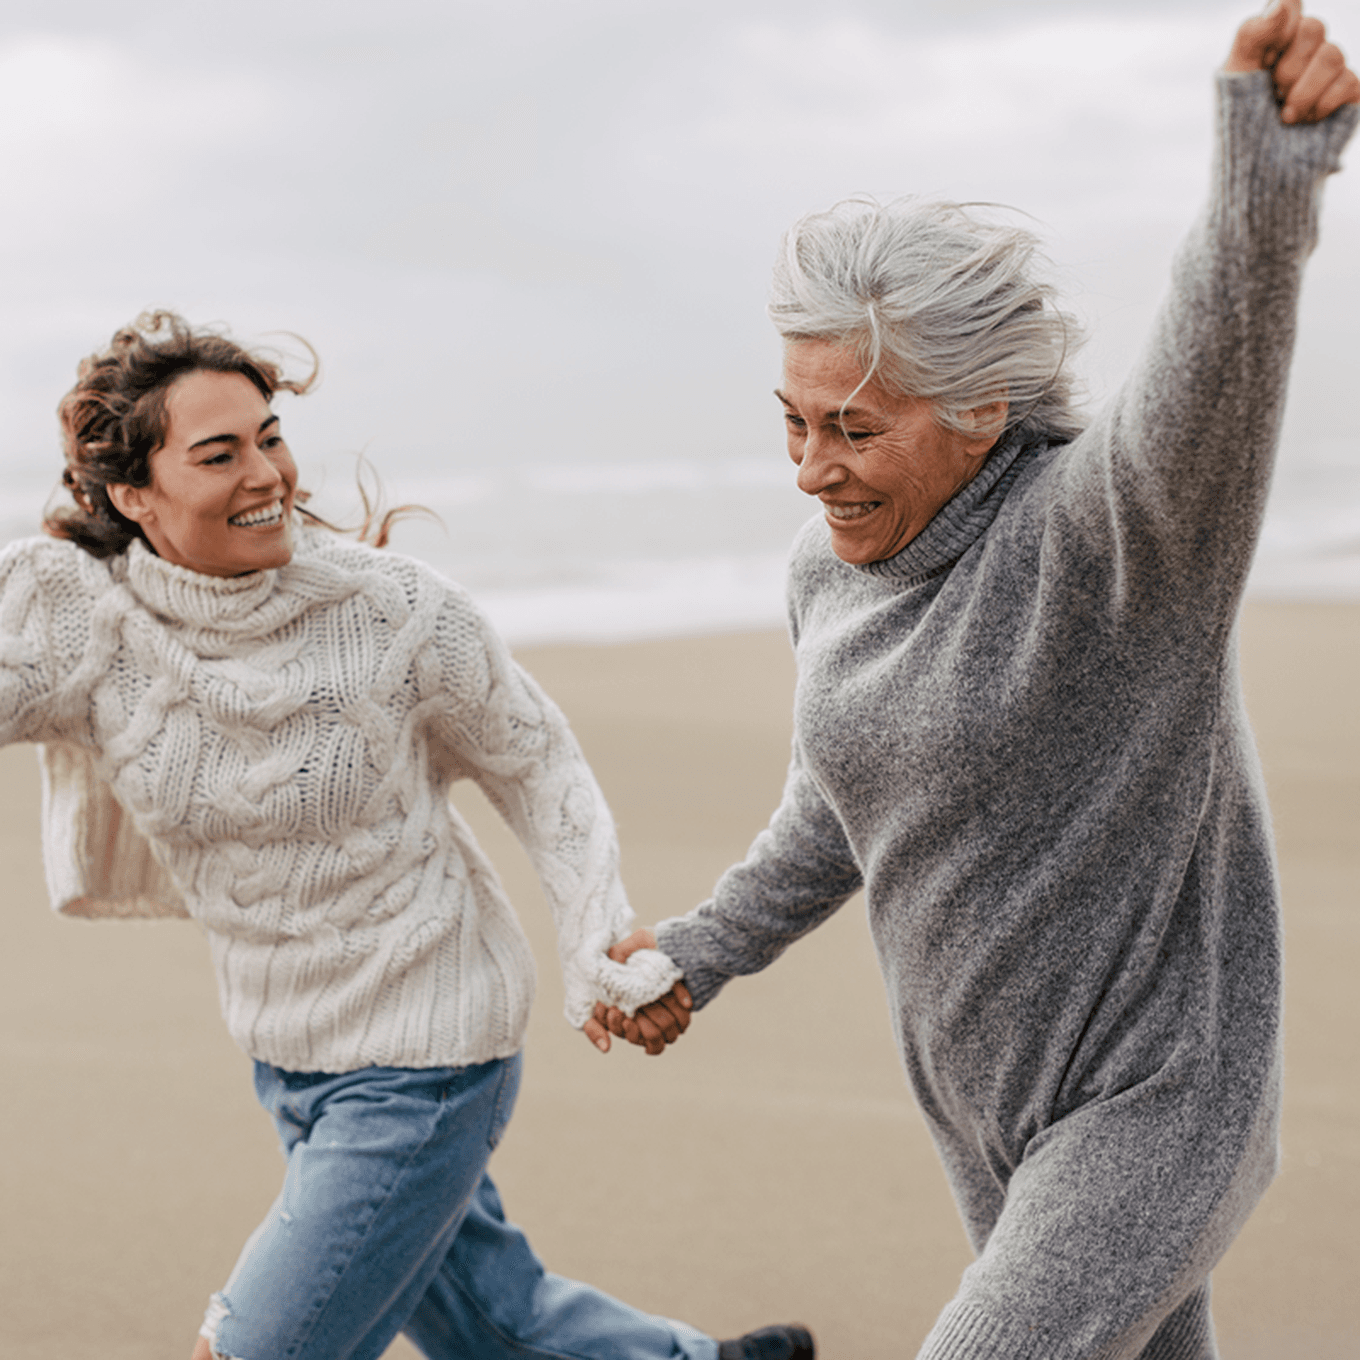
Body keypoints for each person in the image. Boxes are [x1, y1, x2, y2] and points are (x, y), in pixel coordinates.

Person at [596, 3, 1360, 1356]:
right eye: (791, 421)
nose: (811, 466)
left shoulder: (1109, 544)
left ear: (979, 414)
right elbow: (843, 806)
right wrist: (699, 953)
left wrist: (1265, 180)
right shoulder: (825, 576)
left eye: (855, 430)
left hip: (1157, 1100)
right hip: (987, 1114)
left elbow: (1213, 365)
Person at [1, 311, 813, 1360]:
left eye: (270, 436)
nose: (268, 473)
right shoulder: (89, 628)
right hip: (289, 1056)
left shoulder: (392, 614)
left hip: (430, 1047)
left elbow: (537, 763)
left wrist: (589, 939)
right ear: (132, 494)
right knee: (495, 1327)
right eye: (220, 453)